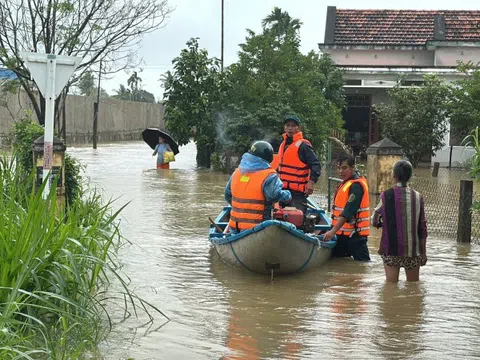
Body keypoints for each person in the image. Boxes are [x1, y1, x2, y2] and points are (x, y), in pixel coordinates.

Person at [372, 160, 428, 282]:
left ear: (393, 175)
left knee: (391, 286)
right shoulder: (418, 197)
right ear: (410, 176)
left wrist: (383, 224)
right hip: (413, 251)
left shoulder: (385, 196)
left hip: (391, 249)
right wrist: (423, 253)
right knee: (413, 287)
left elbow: (374, 220)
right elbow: (422, 228)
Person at [225, 141, 292, 232]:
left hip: (234, 226)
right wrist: (287, 195)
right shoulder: (269, 175)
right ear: (269, 157)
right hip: (257, 227)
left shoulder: (237, 172)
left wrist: (243, 209)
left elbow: (227, 195)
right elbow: (273, 195)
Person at [323, 153, 371, 261]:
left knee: (362, 266)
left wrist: (332, 232)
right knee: (337, 265)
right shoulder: (345, 184)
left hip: (355, 237)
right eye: (339, 168)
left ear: (353, 168)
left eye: (344, 168)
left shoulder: (356, 186)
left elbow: (348, 211)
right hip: (342, 236)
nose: (341, 171)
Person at [276, 114, 321, 213]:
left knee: (296, 219)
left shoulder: (304, 146)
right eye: (288, 125)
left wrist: (311, 182)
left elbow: (315, 164)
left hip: (297, 193)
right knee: (279, 215)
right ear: (284, 128)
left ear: (299, 128)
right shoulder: (282, 145)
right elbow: (279, 168)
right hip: (282, 190)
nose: (290, 128)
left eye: (293, 126)